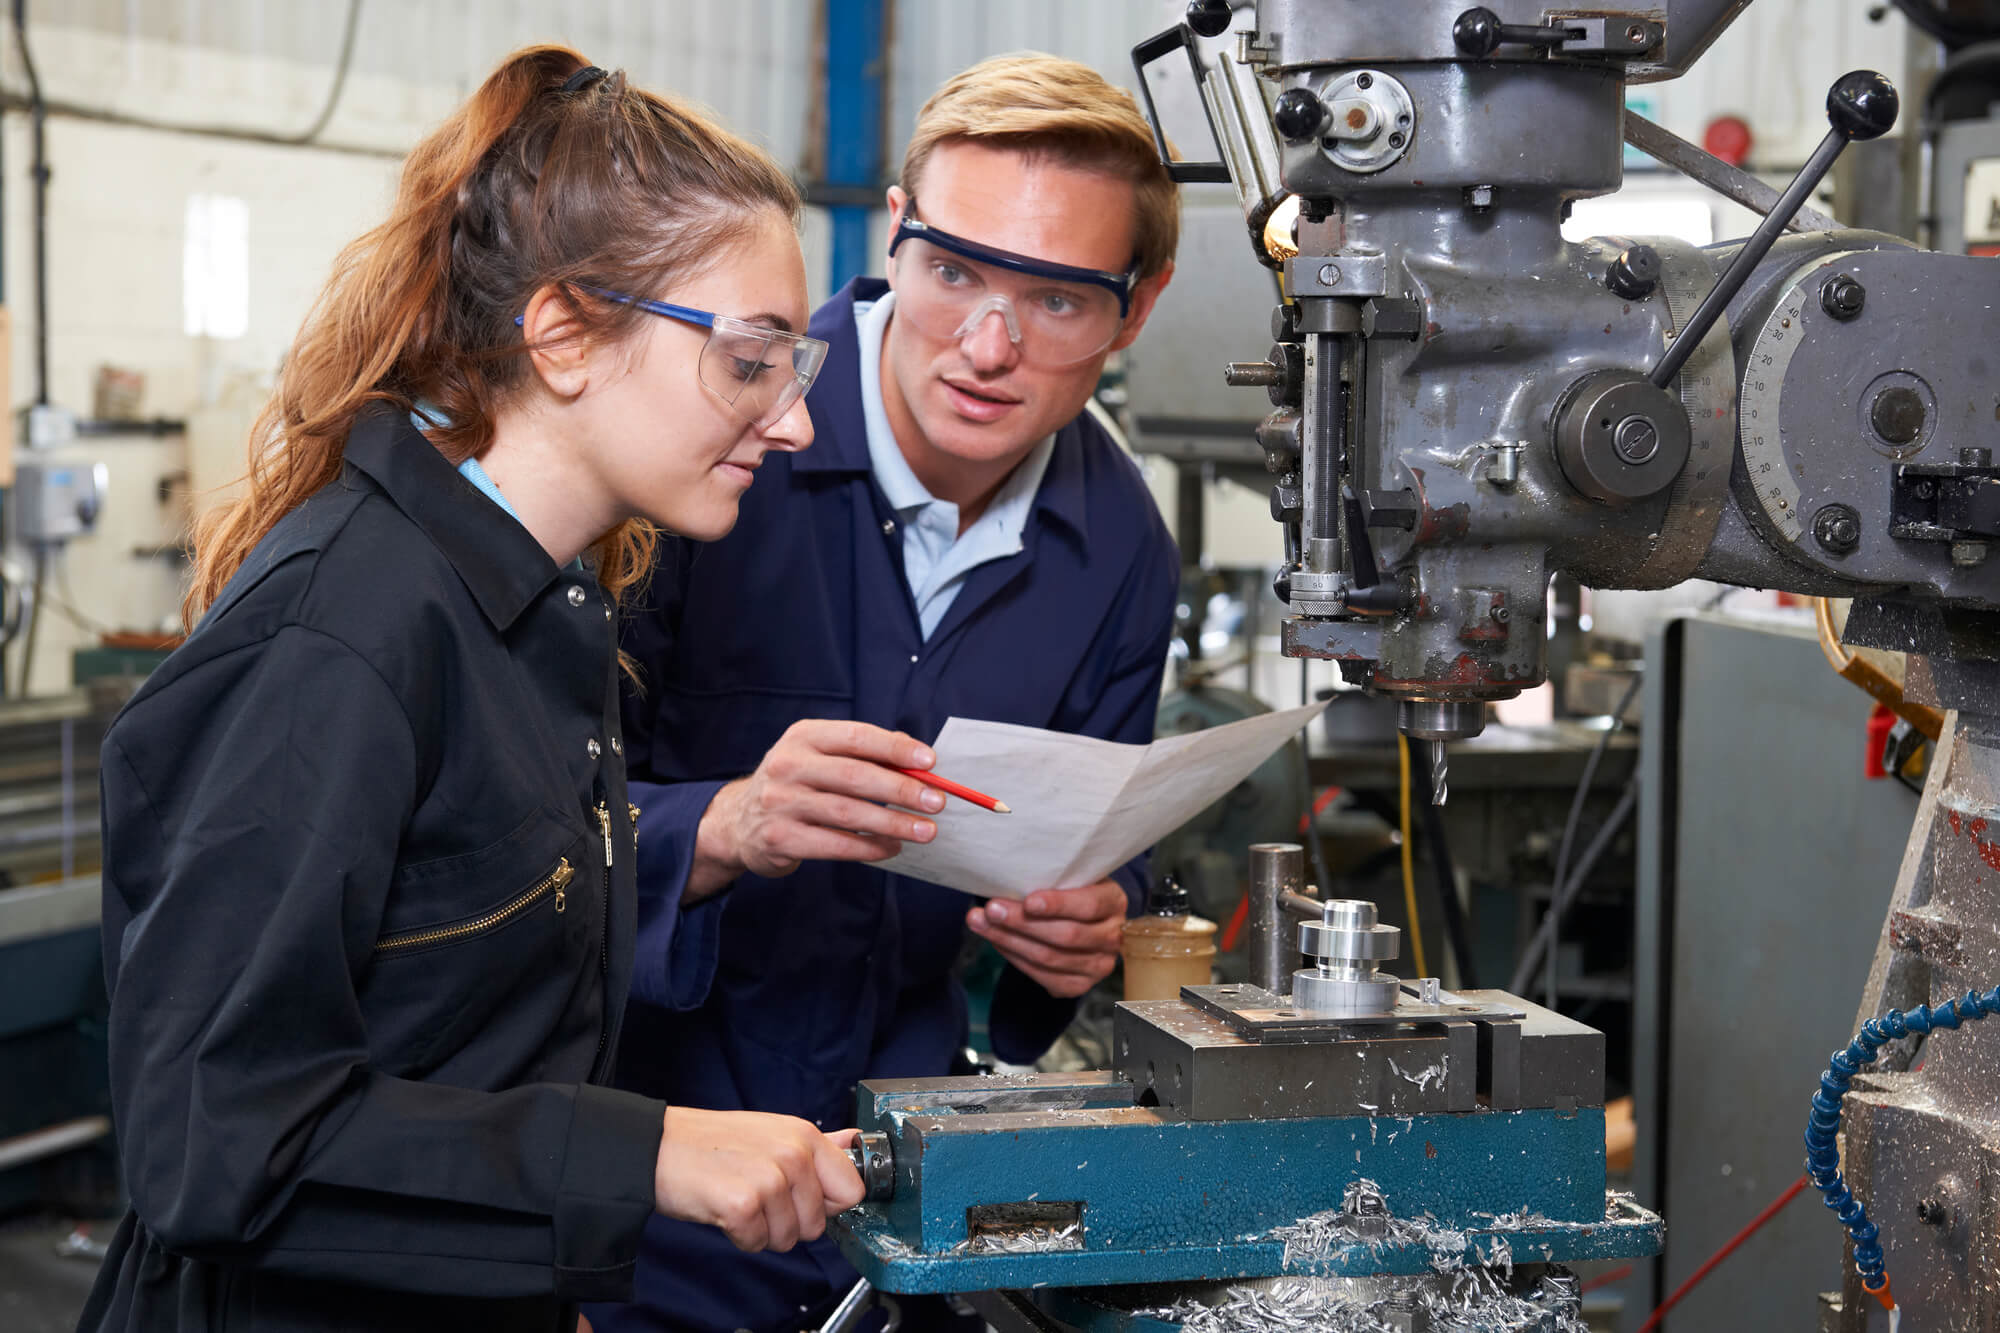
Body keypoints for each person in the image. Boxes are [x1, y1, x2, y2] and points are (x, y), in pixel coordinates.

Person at [77, 47, 869, 1333]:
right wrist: (642, 1157)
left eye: (799, 363)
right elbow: (213, 1140)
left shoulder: (555, 608)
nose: (792, 422)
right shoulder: (339, 637)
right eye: (749, 359)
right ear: (562, 332)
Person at [595, 52, 1183, 1333]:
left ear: (1137, 310)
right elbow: (511, 838)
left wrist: (1092, 922)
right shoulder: (703, 448)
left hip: (912, 1203)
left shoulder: (1123, 550)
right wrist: (725, 825)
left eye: (1058, 299)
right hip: (655, 1198)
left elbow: (1109, 832)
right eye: (953, 270)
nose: (985, 346)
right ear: (897, 239)